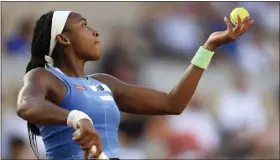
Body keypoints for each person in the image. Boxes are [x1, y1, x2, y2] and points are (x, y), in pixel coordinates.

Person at [16, 11, 253, 160]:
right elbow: (27, 106)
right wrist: (77, 118)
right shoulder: (44, 77)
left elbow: (173, 103)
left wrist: (208, 48)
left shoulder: (104, 83)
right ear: (63, 38)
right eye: (84, 26)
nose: (95, 31)